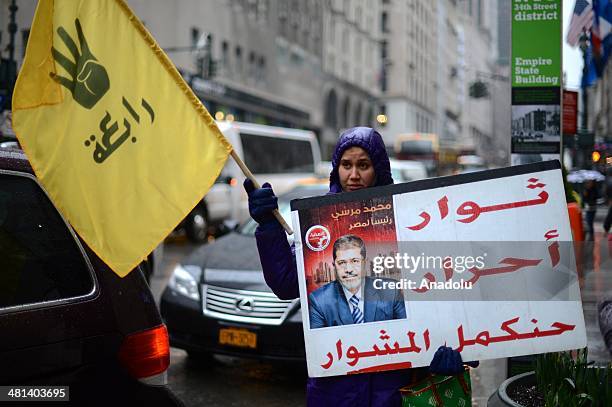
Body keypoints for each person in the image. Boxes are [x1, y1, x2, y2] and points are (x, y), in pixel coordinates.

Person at [244, 127, 474, 406]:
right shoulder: (318, 223)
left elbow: (438, 293)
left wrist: (459, 345)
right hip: (333, 390)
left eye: (363, 165)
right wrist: (269, 227)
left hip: (396, 389)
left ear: (377, 168)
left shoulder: (408, 219)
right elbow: (285, 283)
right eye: (346, 165)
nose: (353, 175)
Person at [309, 234, 405, 329]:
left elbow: (405, 331)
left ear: (365, 263)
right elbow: (320, 342)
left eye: (355, 261)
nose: (349, 269)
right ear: (334, 266)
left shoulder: (391, 290)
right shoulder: (319, 300)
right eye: (342, 263)